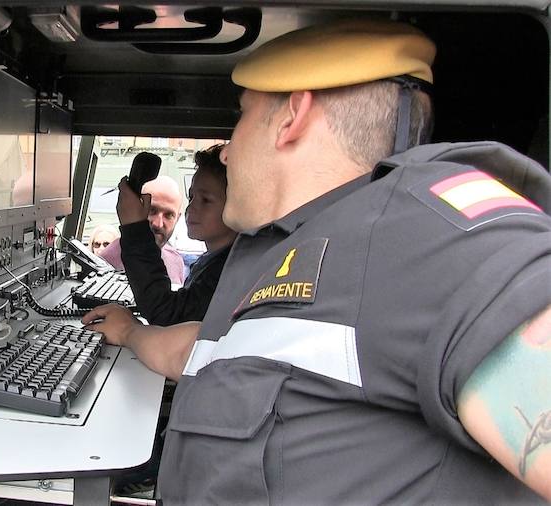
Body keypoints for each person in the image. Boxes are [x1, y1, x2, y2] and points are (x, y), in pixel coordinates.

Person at [84, 19, 551, 504]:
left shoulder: (425, 233)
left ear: (292, 115)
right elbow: (203, 354)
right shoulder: (276, 248)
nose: (226, 155)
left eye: (241, 118)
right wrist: (129, 332)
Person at [116, 144, 237, 325]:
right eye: (192, 197)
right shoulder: (215, 261)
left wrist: (134, 228)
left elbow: (167, 314)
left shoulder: (230, 271)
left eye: (205, 200)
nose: (192, 207)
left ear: (238, 204)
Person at [98, 175, 186, 283]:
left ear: (177, 219)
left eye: (168, 215)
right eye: (152, 210)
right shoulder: (106, 263)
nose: (158, 224)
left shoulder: (176, 260)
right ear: (136, 208)